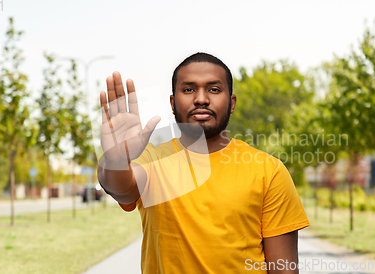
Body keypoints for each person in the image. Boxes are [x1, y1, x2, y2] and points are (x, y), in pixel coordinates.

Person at [97, 52, 310, 274]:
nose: (201, 99)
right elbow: (121, 188)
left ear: (232, 102)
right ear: (172, 103)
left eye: (214, 89)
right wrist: (115, 160)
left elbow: (283, 270)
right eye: (188, 89)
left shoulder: (268, 170)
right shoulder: (152, 160)